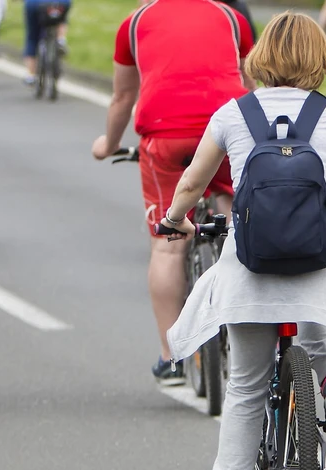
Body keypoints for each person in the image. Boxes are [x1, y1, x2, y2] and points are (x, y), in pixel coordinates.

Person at [160, 12, 326, 470]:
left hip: (253, 270)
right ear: (321, 59)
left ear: (260, 60)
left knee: (247, 387)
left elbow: (193, 181)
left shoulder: (234, 113)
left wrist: (174, 219)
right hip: (320, 267)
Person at [90, 0, 254, 385]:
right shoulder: (233, 18)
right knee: (235, 222)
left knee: (167, 244)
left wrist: (108, 144)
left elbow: (122, 99)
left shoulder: (134, 24)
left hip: (165, 134)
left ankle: (172, 358)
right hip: (228, 125)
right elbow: (251, 85)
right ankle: (248, 332)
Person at [21, 0, 67, 86]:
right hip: (60, 3)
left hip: (34, 4)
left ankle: (31, 75)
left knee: (32, 37)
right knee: (62, 18)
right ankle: (61, 39)